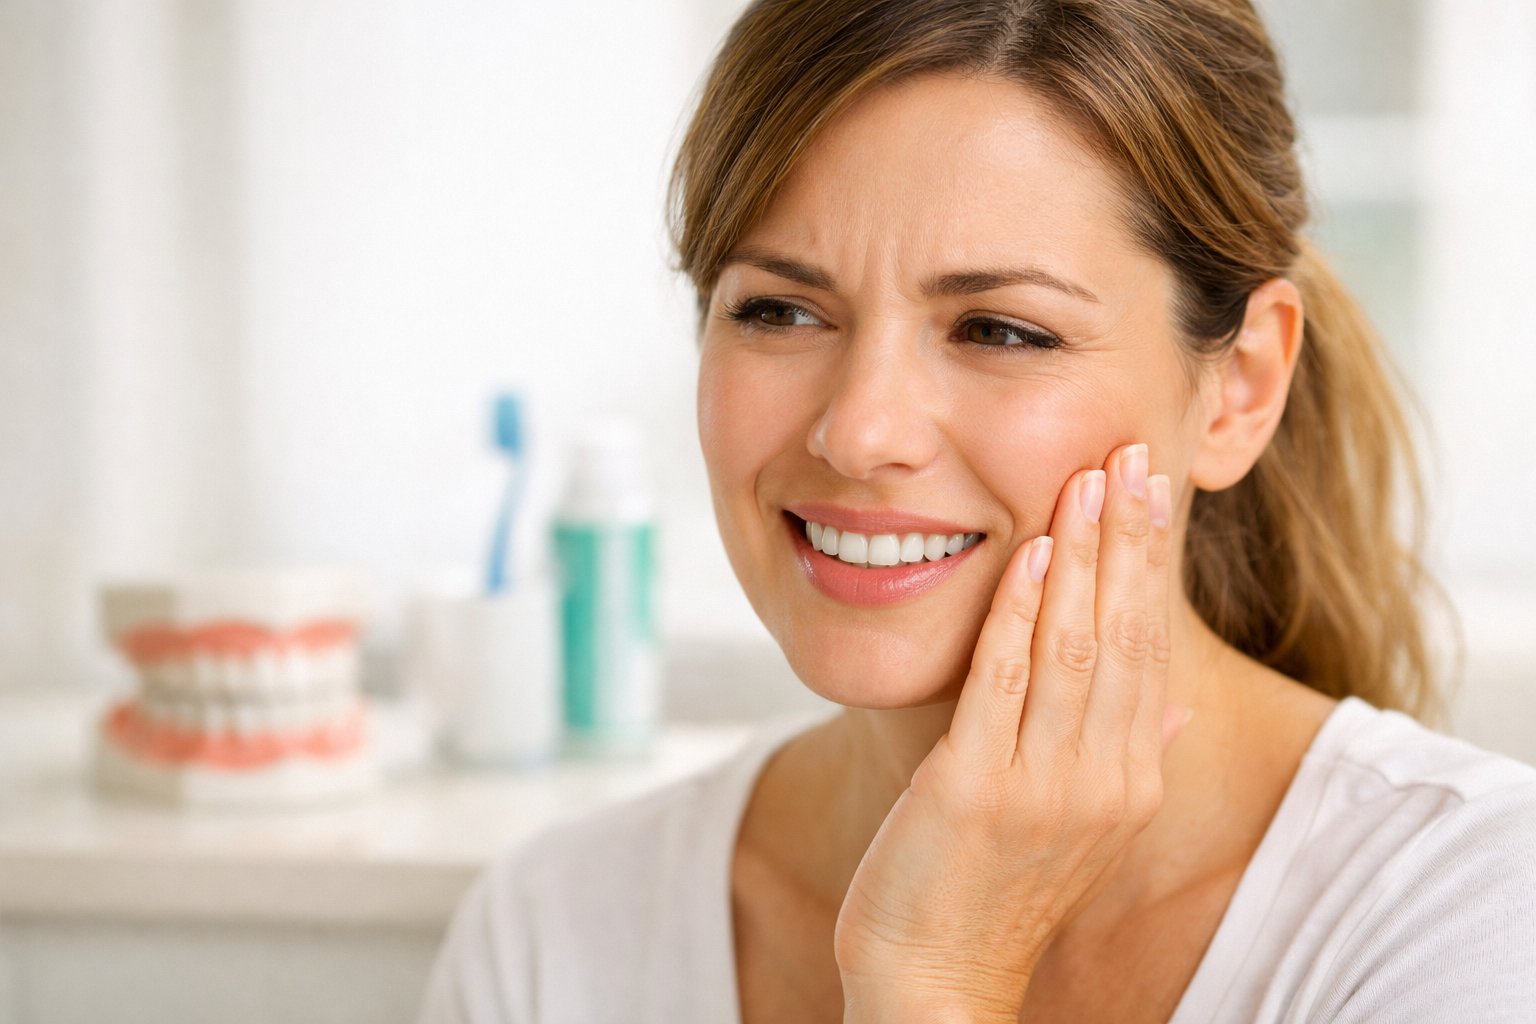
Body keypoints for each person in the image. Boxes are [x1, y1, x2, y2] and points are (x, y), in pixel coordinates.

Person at [417, 1, 1536, 1020]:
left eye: (1000, 329)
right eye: (781, 311)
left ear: (1239, 388)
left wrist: (935, 975)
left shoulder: (1477, 919)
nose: (859, 430)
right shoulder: (555, 938)